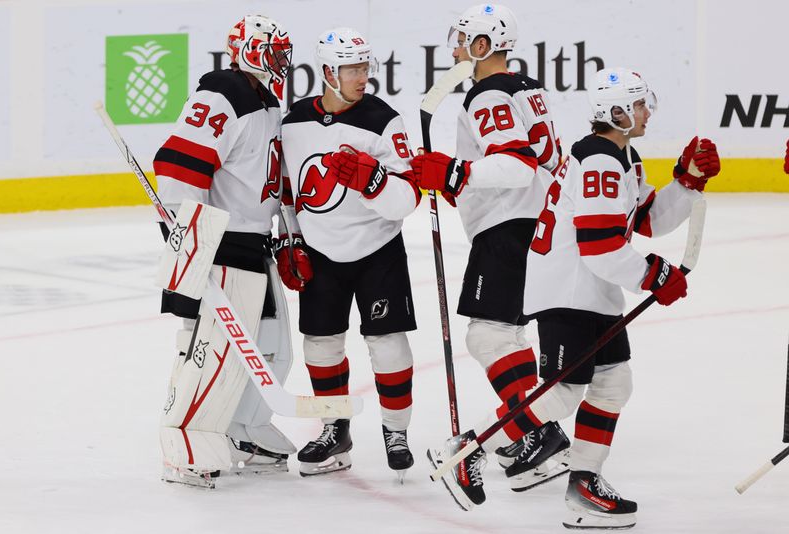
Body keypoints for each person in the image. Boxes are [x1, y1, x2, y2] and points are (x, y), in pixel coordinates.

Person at [484, 67, 719, 528]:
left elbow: (645, 220)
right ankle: (473, 449)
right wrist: (655, 274)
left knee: (613, 384)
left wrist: (686, 182)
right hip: (570, 290)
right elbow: (600, 245)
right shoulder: (599, 162)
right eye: (638, 105)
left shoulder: (622, 157)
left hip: (592, 290)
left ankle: (584, 485)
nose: (646, 111)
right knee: (561, 392)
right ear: (615, 111)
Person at [413, 4, 568, 510]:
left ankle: (529, 432)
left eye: (462, 41)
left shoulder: (488, 92)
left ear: (483, 47)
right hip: (540, 224)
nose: (454, 49)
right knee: (507, 333)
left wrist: (456, 175)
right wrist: (461, 180)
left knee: (488, 333)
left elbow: (516, 164)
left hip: (510, 226)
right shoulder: (527, 88)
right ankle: (533, 439)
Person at [153, 14, 300, 488]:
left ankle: (244, 428)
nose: (282, 61)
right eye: (273, 50)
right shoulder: (223, 92)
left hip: (257, 245)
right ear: (249, 49)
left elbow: (270, 181)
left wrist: (290, 234)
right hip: (222, 244)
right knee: (213, 352)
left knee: (273, 350)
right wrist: (189, 239)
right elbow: (178, 165)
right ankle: (187, 440)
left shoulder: (265, 100)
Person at [278, 27, 421, 481]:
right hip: (320, 252)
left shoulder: (383, 119)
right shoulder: (293, 122)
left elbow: (409, 197)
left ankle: (396, 432)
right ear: (327, 72)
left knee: (388, 343)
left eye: (365, 66)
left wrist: (376, 183)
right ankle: (333, 430)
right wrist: (291, 238)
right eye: (352, 68)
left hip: (377, 249)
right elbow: (286, 191)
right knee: (320, 345)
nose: (363, 76)